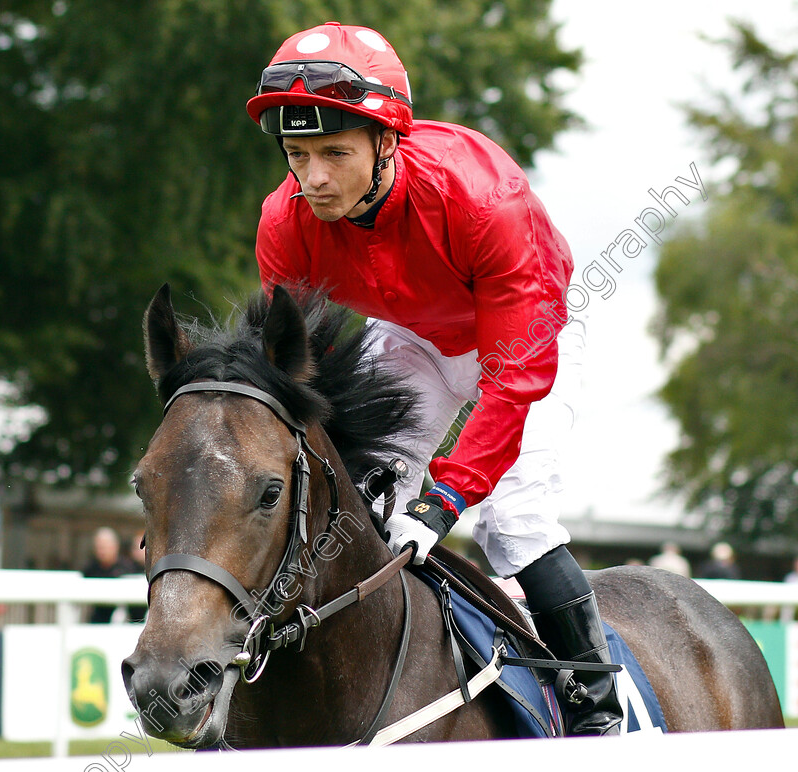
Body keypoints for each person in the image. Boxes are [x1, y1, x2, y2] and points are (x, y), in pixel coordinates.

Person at [246, 22, 621, 736]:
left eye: (334, 153)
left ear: (387, 141)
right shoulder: (284, 222)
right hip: (412, 333)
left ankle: (599, 711)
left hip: (522, 338)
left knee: (511, 522)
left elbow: (511, 385)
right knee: (372, 501)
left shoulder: (486, 200)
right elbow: (299, 382)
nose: (313, 179)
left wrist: (445, 501)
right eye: (296, 154)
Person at [82, 527, 133, 623]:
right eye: (99, 547)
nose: (101, 551)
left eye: (104, 547)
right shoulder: (91, 568)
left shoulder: (127, 568)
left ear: (115, 546)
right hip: (96, 619)